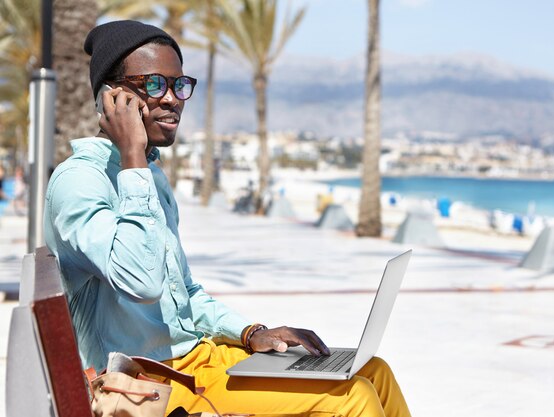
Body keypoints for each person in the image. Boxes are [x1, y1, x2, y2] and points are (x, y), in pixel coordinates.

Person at [44, 20, 410, 417]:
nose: (172, 99)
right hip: (149, 384)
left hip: (198, 361)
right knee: (352, 398)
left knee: (374, 371)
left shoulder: (148, 174)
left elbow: (182, 293)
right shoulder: (81, 181)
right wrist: (133, 157)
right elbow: (142, 282)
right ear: (111, 97)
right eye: (153, 85)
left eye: (179, 85)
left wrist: (251, 333)